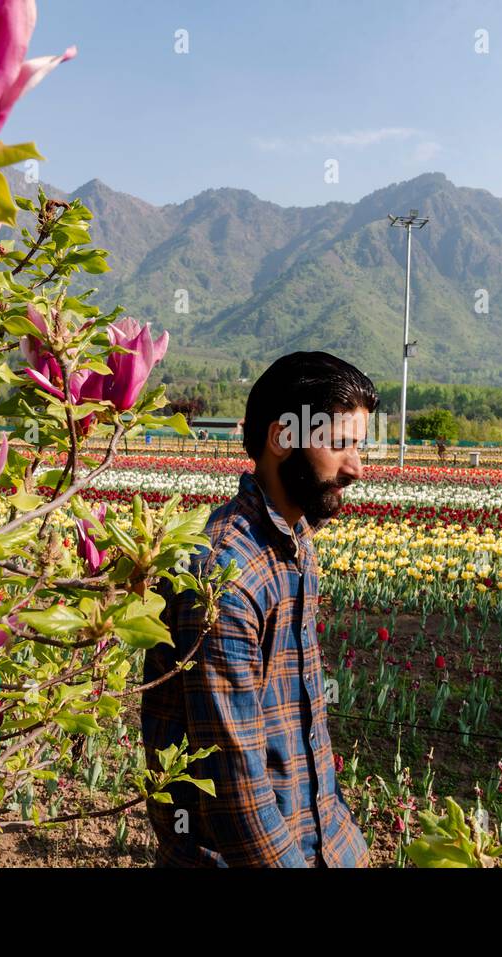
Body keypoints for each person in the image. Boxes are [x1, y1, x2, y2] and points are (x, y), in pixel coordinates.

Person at [142, 351, 375, 867]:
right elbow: (234, 785)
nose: (356, 468)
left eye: (358, 445)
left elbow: (303, 728)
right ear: (281, 439)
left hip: (314, 842)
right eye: (338, 444)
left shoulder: (294, 544)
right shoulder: (224, 577)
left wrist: (345, 846)